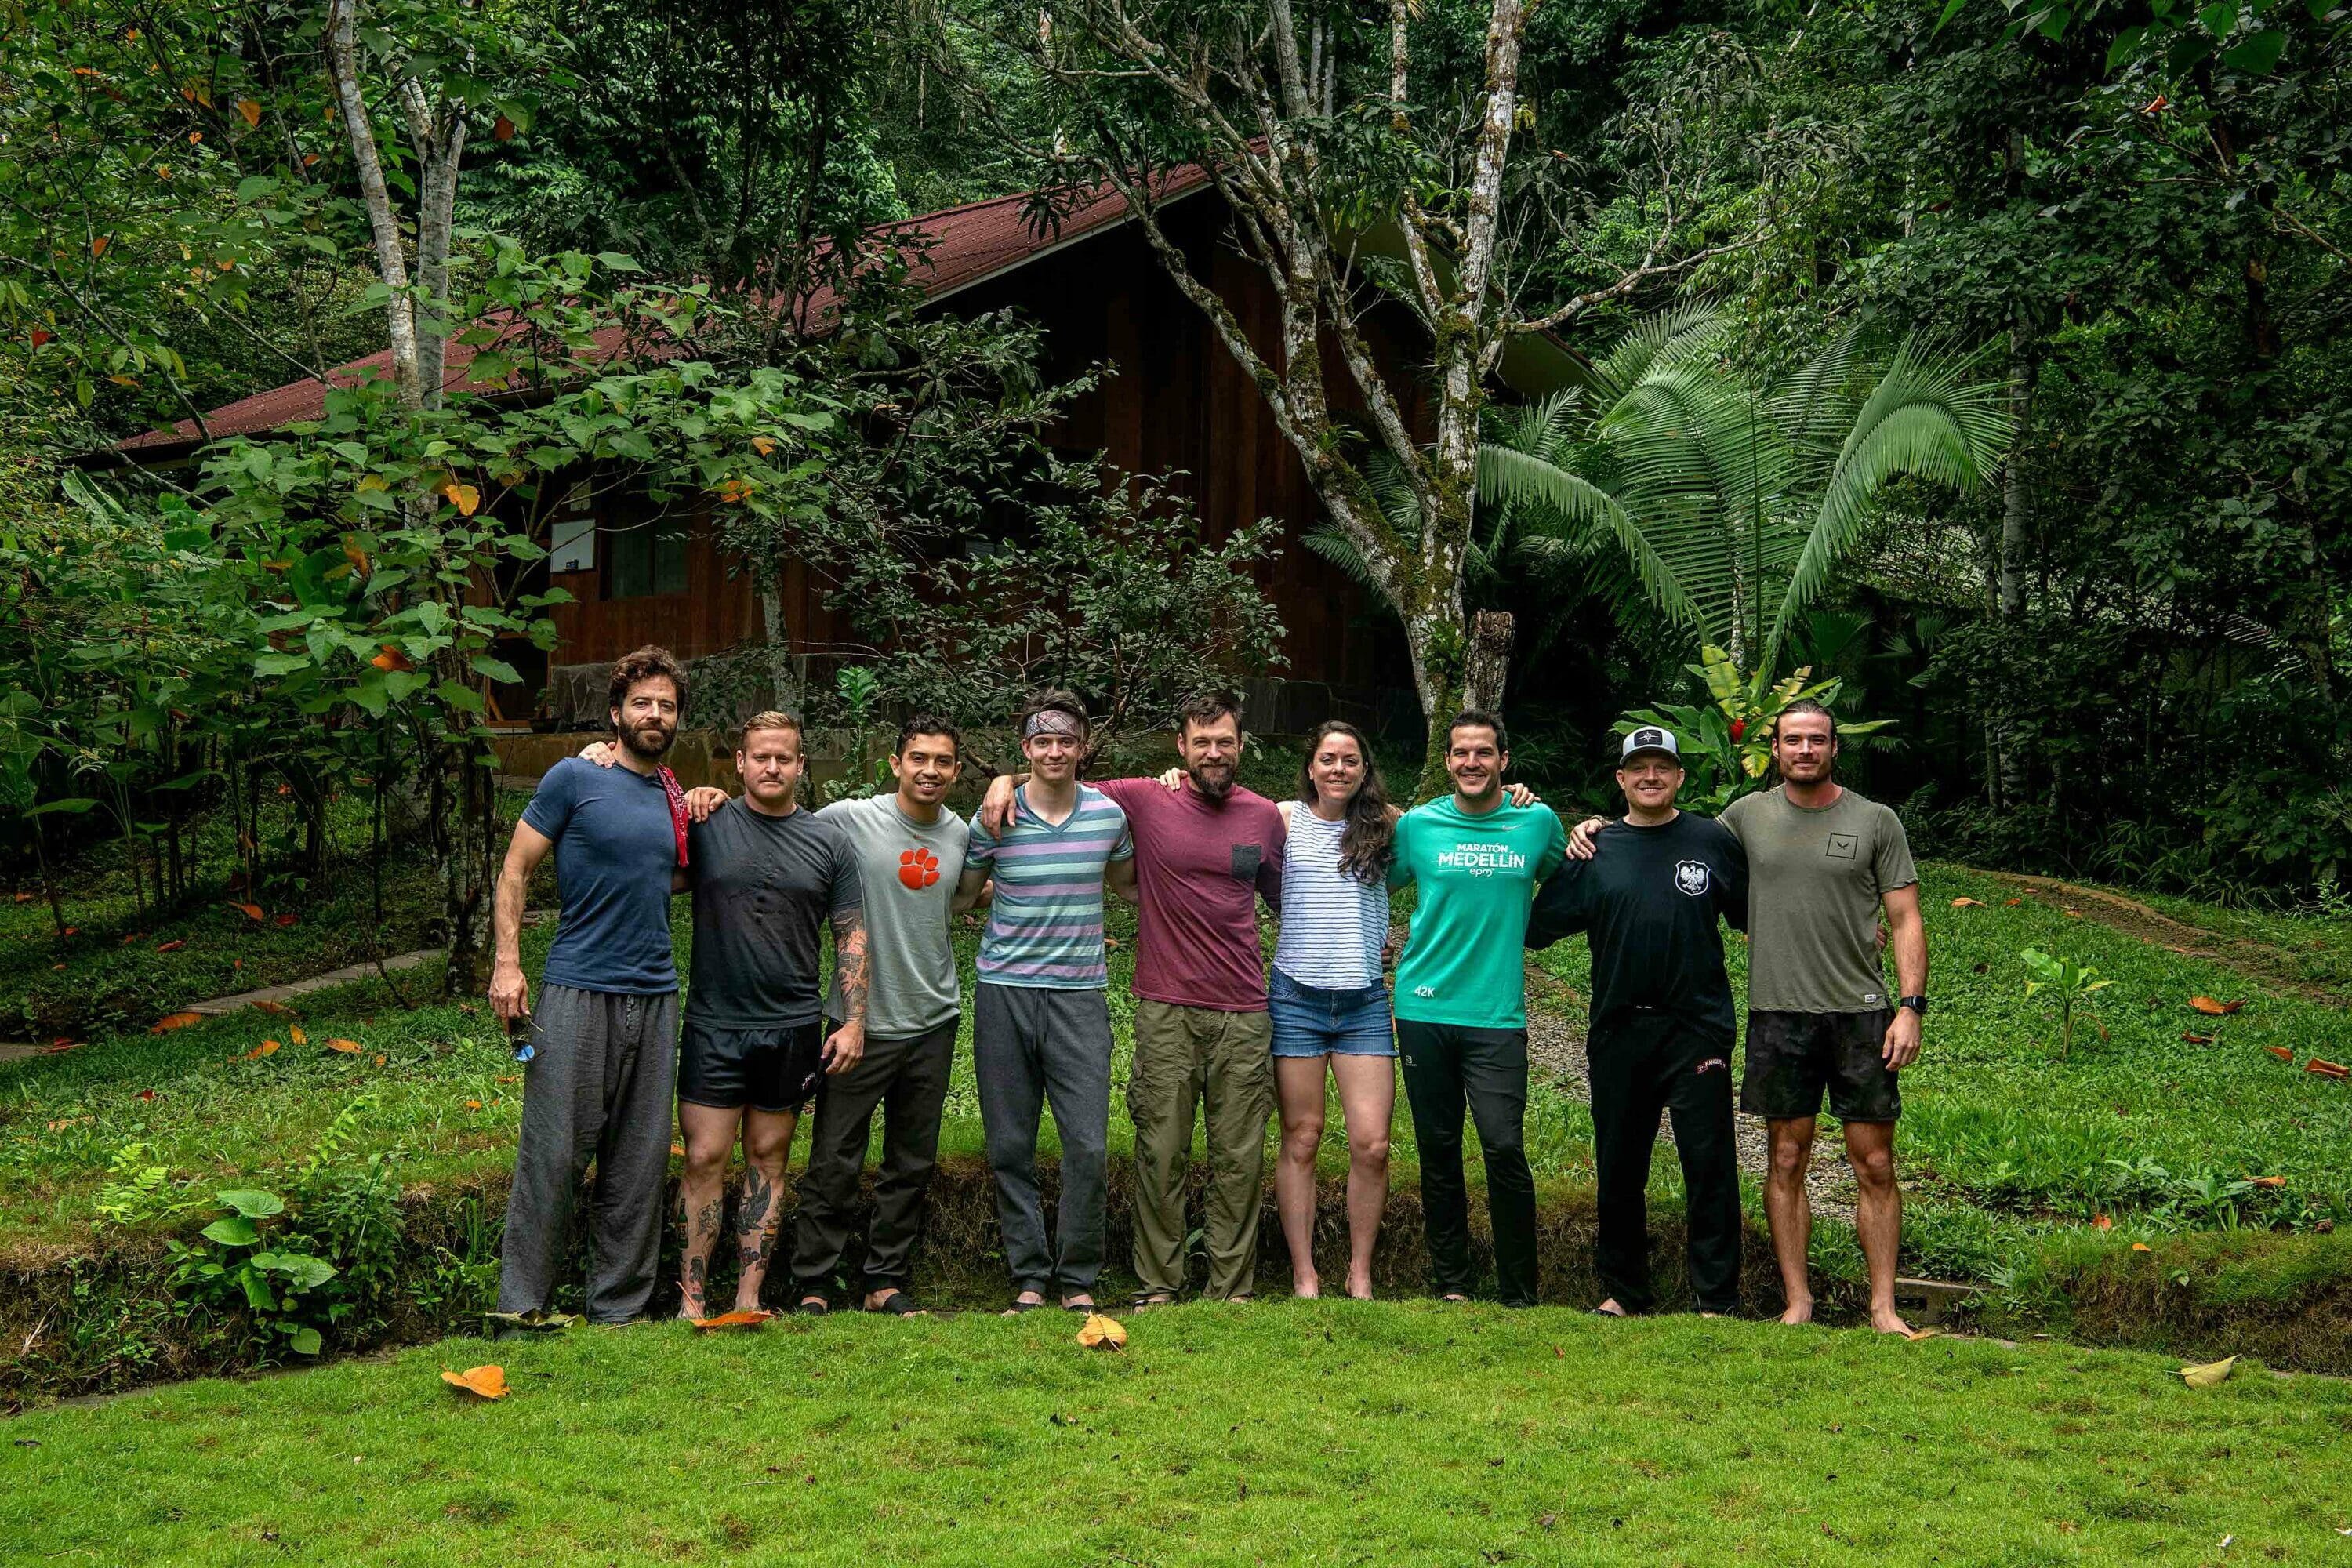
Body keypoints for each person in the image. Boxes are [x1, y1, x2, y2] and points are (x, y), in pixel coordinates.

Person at [1565, 699, 1927, 1332]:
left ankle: (1883, 1307)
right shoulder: (1739, 821)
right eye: (1793, 741)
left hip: (1862, 1014)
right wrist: (1594, 828)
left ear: (1835, 748)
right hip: (1778, 1013)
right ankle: (1796, 1302)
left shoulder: (1876, 820)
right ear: (1776, 750)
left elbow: (1905, 918)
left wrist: (1910, 1006)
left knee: (1873, 1161)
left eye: (1817, 740)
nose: (1805, 750)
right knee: (1786, 1158)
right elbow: (1664, 836)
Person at [981, 691, 1284, 1306]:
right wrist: (1000, 780)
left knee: (1239, 1156)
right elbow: (1056, 773)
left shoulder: (1264, 817)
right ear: (1181, 747)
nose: (1214, 752)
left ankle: (1231, 1289)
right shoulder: (1146, 797)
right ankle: (1158, 1285)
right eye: (1201, 742)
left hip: (1245, 1008)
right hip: (1164, 1003)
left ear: (1242, 745)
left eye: (1225, 741)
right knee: (1159, 1152)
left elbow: (1288, 896)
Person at [487, 646, 693, 1327]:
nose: (655, 714)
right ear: (616, 714)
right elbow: (515, 871)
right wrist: (507, 963)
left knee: (637, 1162)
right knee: (553, 1153)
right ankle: (522, 1306)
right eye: (642, 703)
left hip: (657, 995)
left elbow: (676, 876)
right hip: (577, 989)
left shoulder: (673, 794)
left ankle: (619, 1311)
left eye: (666, 705)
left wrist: (710, 799)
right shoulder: (573, 778)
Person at [1525, 726, 1746, 1318]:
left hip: (1696, 1027)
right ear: (1621, 780)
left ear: (1679, 777)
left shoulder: (1712, 840)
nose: (1651, 777)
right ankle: (1623, 1290)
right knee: (1620, 1165)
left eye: (1663, 768)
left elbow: (1758, 914)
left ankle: (1717, 1298)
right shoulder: (1595, 850)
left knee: (1710, 1165)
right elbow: (1536, 927)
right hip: (1620, 1029)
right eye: (1638, 768)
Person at [668, 711, 866, 1319]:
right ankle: (691, 1299)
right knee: (703, 1157)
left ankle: (749, 1296)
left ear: (801, 766)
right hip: (714, 1023)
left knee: (769, 1158)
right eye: (761, 757)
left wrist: (853, 1019)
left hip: (792, 1026)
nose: (772, 767)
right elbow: (649, 806)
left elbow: (852, 935)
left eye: (784, 757)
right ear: (741, 763)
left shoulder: (830, 843)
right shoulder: (707, 824)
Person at [790, 717, 987, 1316]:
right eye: (918, 757)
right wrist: (710, 797)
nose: (930, 770)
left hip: (933, 1018)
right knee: (833, 1158)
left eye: (943, 761)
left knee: (911, 1161)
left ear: (955, 771)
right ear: (896, 763)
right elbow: (778, 821)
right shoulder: (850, 819)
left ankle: (884, 1282)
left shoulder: (961, 836)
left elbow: (963, 897)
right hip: (858, 1021)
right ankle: (814, 1284)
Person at [956, 690, 1138, 1314]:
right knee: (1010, 1145)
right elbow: (961, 896)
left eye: (1066, 740)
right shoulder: (994, 820)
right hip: (1004, 990)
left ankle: (1079, 1278)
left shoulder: (1109, 818)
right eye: (1042, 741)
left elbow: (1130, 888)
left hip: (1080, 996)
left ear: (1082, 746)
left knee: (1086, 1144)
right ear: (1026, 748)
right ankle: (1030, 1276)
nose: (1055, 750)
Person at [1387, 708, 1566, 1305]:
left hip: (1497, 1015)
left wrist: (1595, 829)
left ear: (1503, 760)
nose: (1471, 762)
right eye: (1461, 752)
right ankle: (1453, 1284)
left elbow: (1577, 876)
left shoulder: (1536, 821)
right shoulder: (1417, 826)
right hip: (1424, 1007)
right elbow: (1364, 879)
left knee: (1503, 1146)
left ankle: (1519, 1290)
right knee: (1438, 1148)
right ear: (1447, 761)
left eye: (1483, 753)